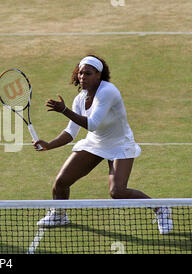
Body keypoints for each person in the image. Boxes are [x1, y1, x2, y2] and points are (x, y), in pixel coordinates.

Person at [32, 55, 173, 234]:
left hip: (120, 144)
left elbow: (92, 124)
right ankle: (59, 215)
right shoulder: (80, 99)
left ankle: (161, 209)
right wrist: (48, 145)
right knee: (61, 182)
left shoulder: (108, 92)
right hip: (96, 143)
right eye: (80, 73)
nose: (82, 77)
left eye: (88, 73)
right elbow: (71, 132)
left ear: (98, 75)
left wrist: (64, 110)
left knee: (117, 192)